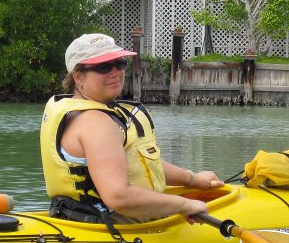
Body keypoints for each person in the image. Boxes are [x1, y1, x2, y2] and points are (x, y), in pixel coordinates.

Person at [40, 33, 223, 229]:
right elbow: (119, 197)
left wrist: (192, 179)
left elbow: (137, 161)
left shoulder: (79, 111)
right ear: (78, 77)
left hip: (76, 218)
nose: (114, 72)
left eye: (119, 63)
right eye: (103, 67)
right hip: (114, 229)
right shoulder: (96, 123)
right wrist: (185, 205)